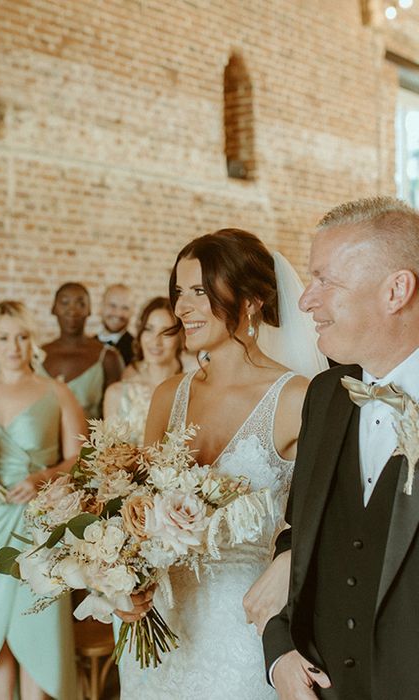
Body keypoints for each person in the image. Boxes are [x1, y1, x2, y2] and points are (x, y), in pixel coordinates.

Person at [119, 228, 326, 699]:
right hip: (162, 632)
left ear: (250, 300)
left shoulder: (296, 399)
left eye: (198, 291)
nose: (180, 308)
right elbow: (137, 516)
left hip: (244, 633)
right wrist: (123, 584)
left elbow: (329, 518)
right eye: (178, 292)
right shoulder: (168, 394)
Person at [264, 197, 419, 699]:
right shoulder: (326, 396)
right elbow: (298, 536)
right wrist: (279, 651)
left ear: (396, 290)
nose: (306, 300)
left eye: (325, 281)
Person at [0, 300, 86, 700]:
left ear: (34, 341)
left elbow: (81, 457)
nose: (14, 346)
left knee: (37, 630)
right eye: (4, 337)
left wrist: (43, 477)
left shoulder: (56, 391)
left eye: (22, 336)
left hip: (37, 523)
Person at [103, 296, 183, 444]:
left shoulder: (193, 391)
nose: (155, 341)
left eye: (166, 332)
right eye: (149, 329)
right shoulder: (117, 394)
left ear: (180, 337)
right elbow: (109, 461)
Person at [42, 282, 123, 419]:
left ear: (89, 310)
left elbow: (115, 417)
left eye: (80, 304)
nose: (72, 310)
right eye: (64, 302)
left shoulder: (108, 357)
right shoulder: (36, 355)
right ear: (53, 308)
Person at [97, 284, 135, 365]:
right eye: (112, 306)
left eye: (125, 308)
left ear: (132, 312)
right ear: (101, 306)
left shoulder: (137, 349)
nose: (118, 313)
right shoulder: (88, 343)